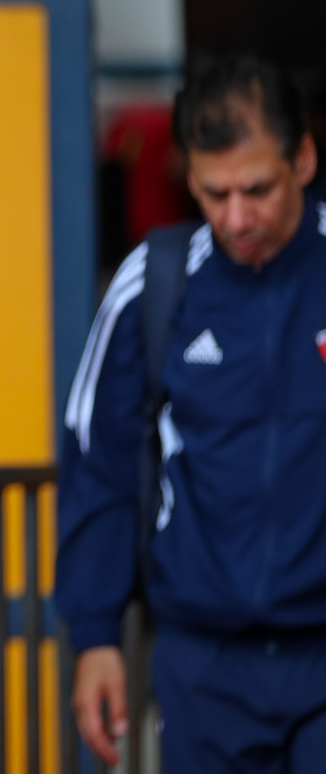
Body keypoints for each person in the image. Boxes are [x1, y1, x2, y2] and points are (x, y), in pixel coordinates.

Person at [57, 56, 326, 771]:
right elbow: (99, 464)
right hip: (203, 667)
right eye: (213, 193)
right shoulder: (157, 282)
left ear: (302, 157)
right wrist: (96, 637)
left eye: (256, 189)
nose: (237, 218)